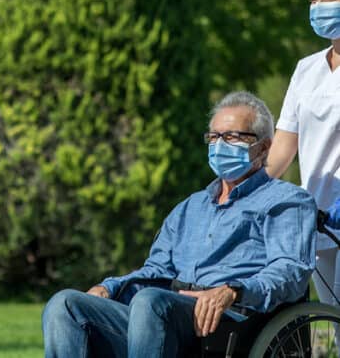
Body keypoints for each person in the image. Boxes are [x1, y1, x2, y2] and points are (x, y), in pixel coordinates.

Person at [42, 91, 316, 358]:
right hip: (167, 312)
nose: (220, 145)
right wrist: (111, 287)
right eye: (214, 137)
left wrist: (232, 290)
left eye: (232, 137)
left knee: (152, 302)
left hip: (234, 318)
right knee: (65, 305)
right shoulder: (190, 208)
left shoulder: (287, 200)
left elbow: (289, 270)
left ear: (264, 146)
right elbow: (157, 271)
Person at [266, 0, 340, 337]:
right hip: (317, 219)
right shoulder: (306, 69)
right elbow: (284, 145)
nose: (320, 6)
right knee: (329, 319)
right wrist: (249, 190)